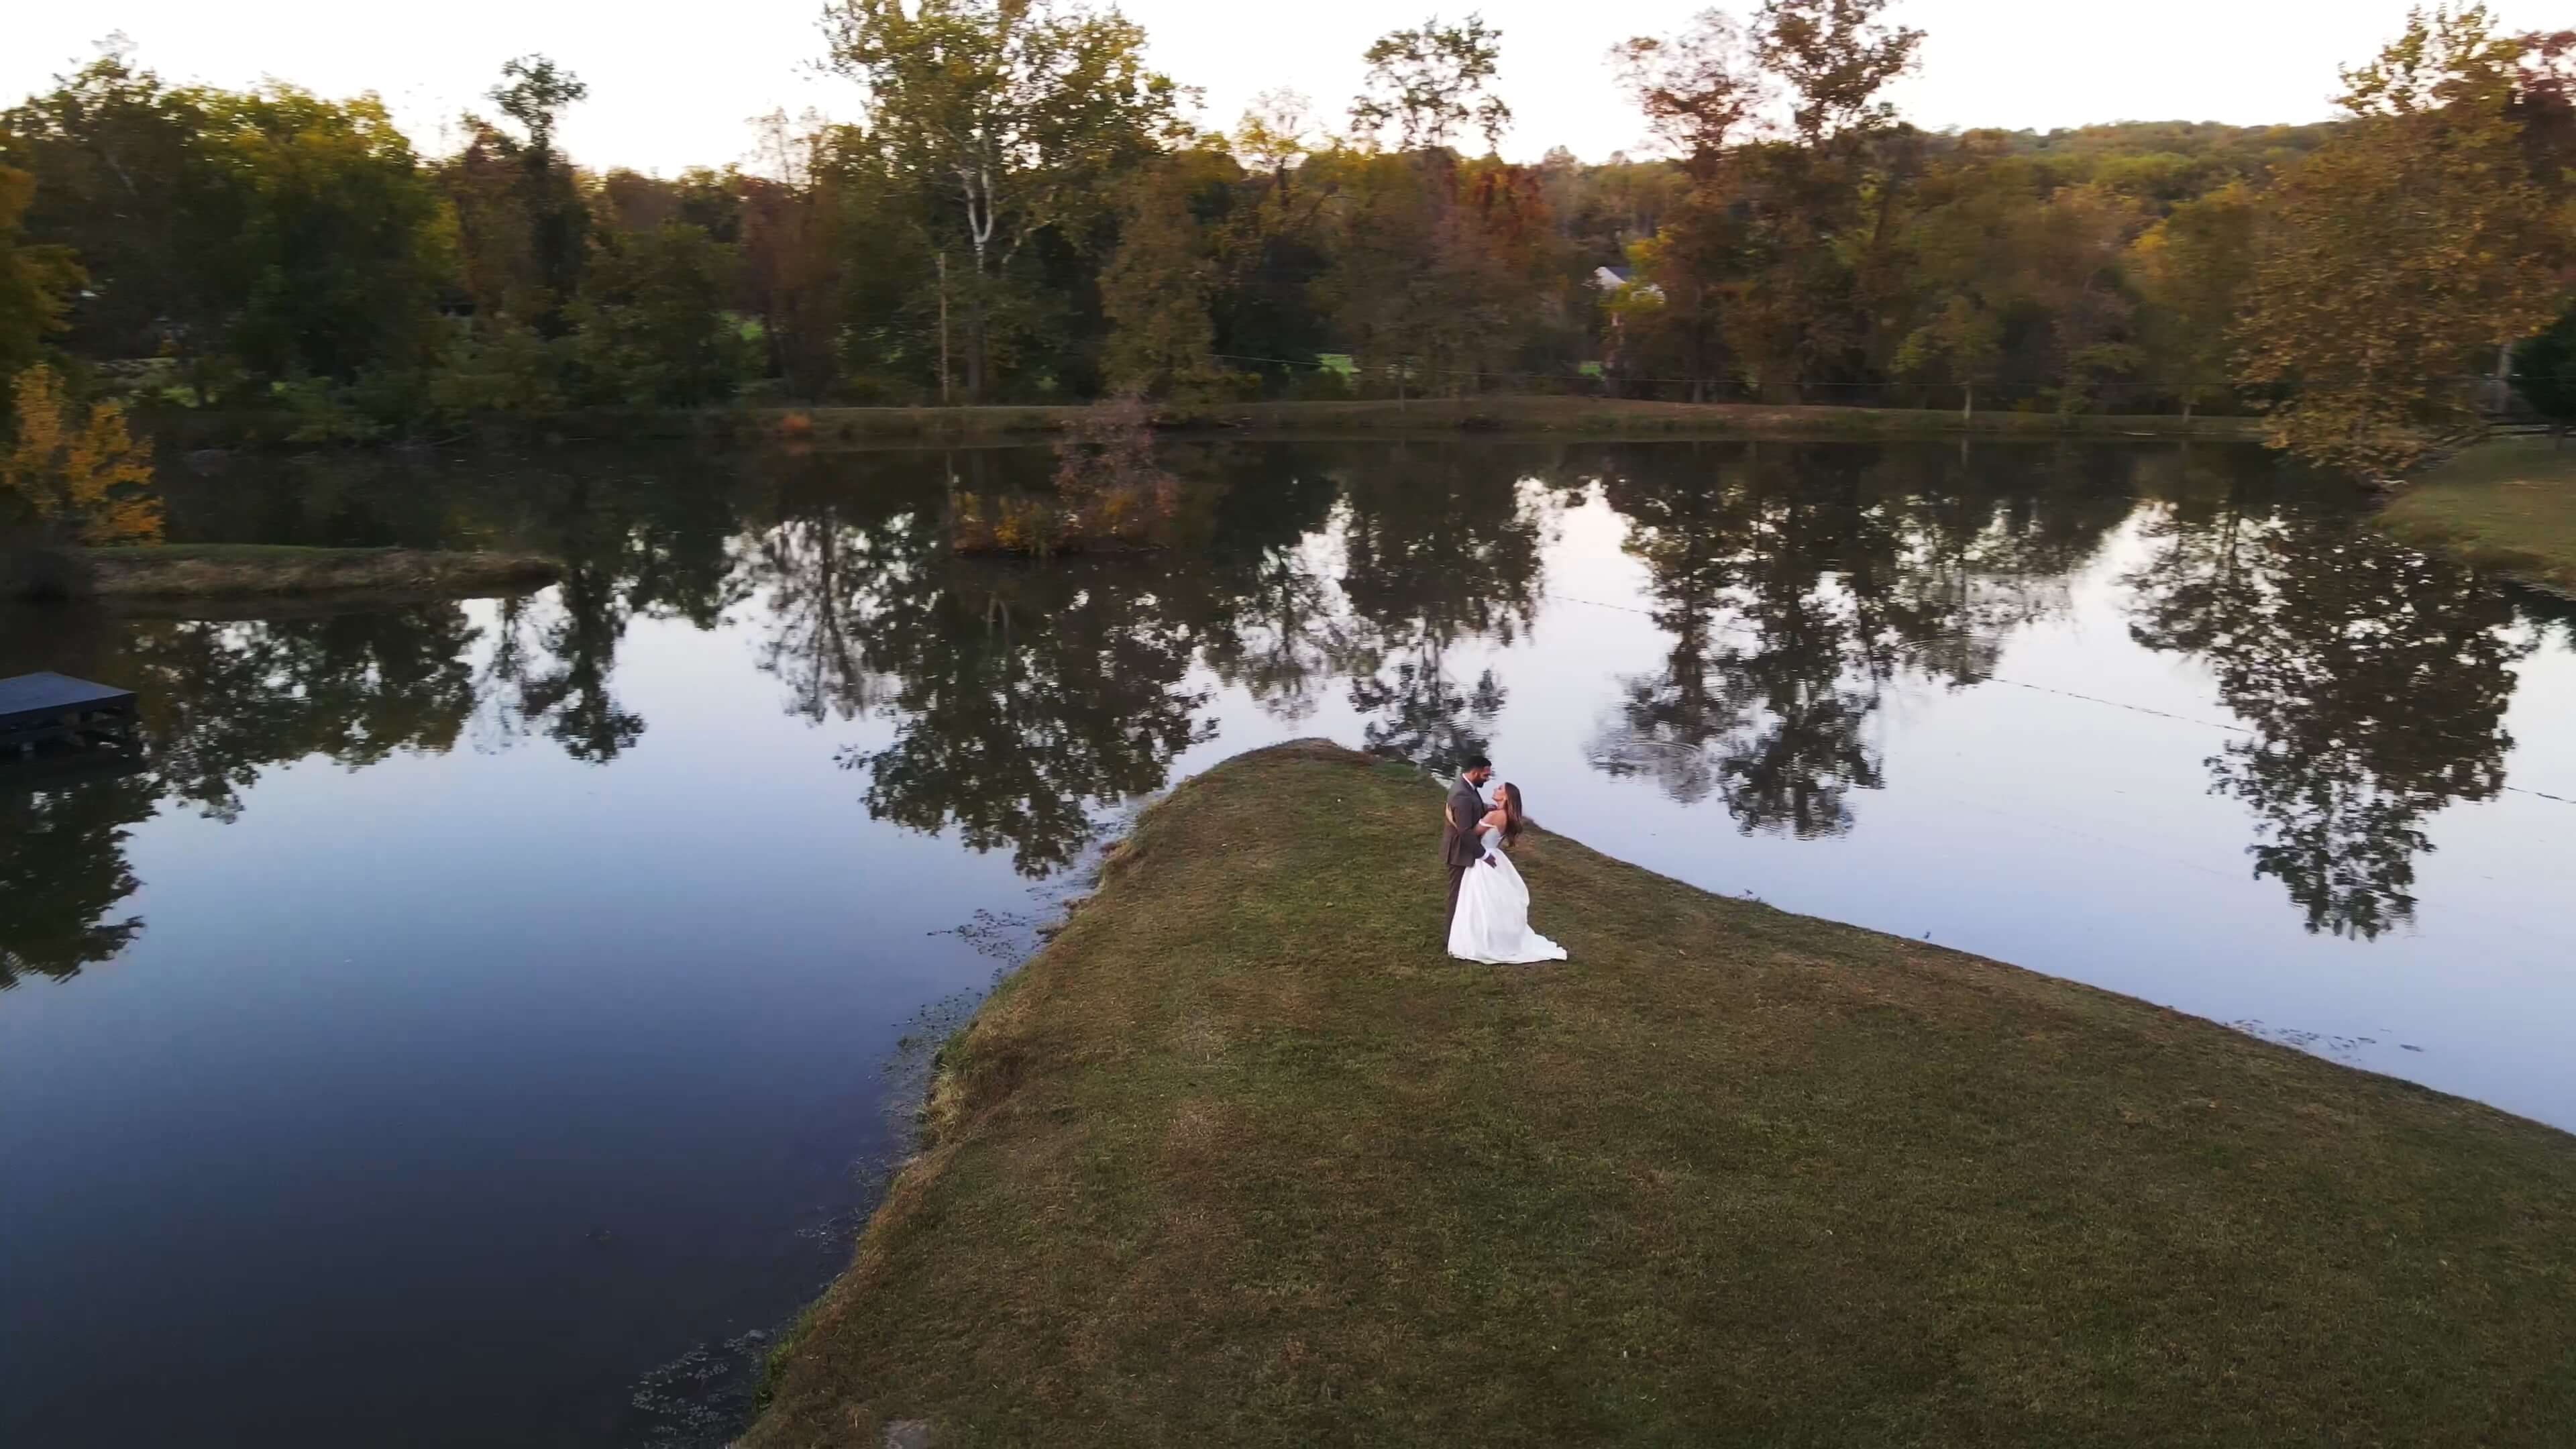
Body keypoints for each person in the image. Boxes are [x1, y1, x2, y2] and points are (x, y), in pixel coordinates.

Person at [1448, 782, 1568, 965]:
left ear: (1505, 797)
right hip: (1494, 855)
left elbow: (1471, 834)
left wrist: (1453, 820)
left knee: (1480, 898)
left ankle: (1481, 938)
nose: (1495, 789)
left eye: (1500, 789)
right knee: (1492, 898)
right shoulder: (1505, 815)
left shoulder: (1495, 815)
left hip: (1483, 858)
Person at [1442, 755, 1495, 941]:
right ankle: (1450, 939)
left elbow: (1472, 809)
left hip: (1464, 850)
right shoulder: (1462, 795)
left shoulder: (1468, 788)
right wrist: (1483, 855)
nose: (1487, 779)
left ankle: (1463, 934)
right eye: (1485, 775)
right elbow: (1464, 831)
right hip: (1459, 852)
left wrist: (1487, 808)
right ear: (1474, 772)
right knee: (1457, 895)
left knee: (1467, 894)